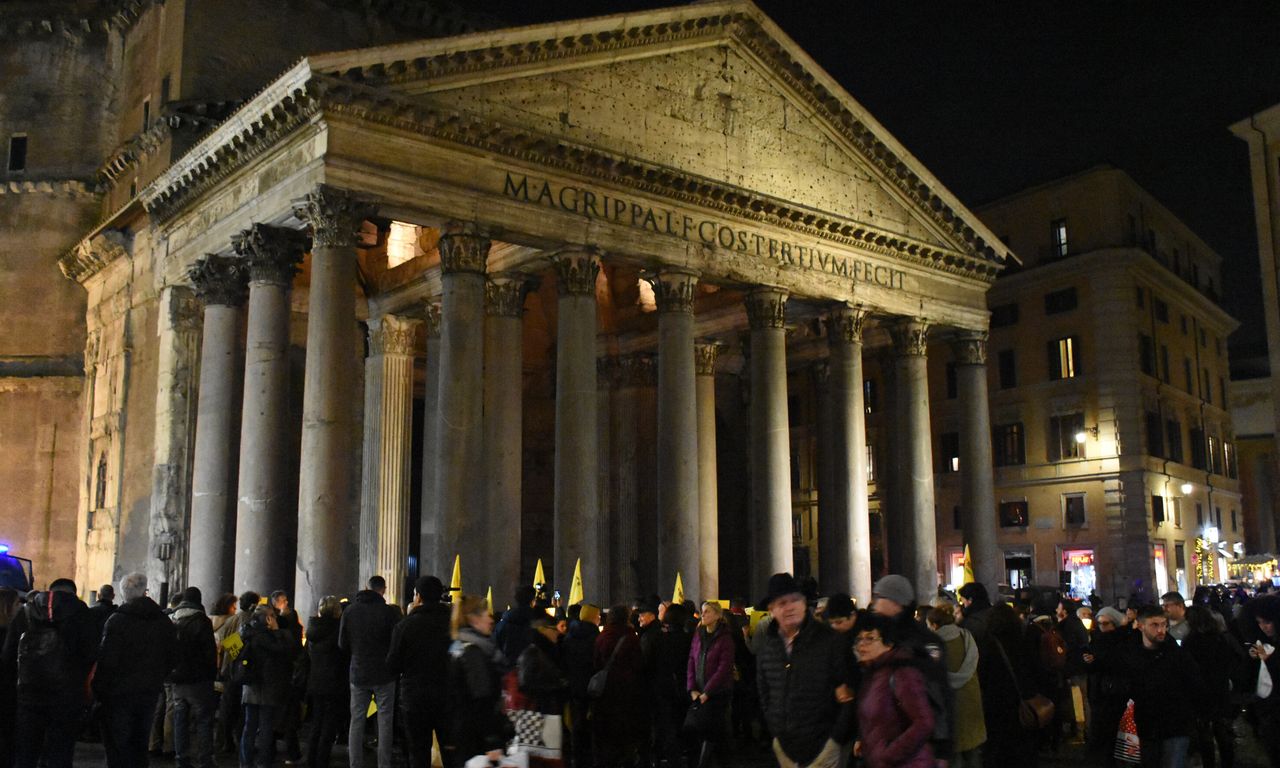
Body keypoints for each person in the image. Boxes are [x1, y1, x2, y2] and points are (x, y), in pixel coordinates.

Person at [755, 572, 853, 768]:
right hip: (785, 749)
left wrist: (835, 741)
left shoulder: (830, 640)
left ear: (804, 603)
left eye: (795, 600)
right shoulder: (768, 646)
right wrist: (776, 733)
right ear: (771, 609)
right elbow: (764, 691)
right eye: (782, 603)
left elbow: (849, 694)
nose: (790, 607)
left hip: (824, 747)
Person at [1096, 604, 1203, 768]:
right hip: (1144, 727)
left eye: (1163, 625)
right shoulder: (1129, 654)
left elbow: (1195, 685)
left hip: (1175, 727)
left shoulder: (1177, 655)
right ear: (1141, 626)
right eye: (1155, 625)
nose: (1161, 630)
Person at [7, 580, 97, 768]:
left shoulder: (26, 612)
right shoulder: (82, 614)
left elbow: (8, 656)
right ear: (73, 593)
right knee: (61, 751)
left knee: (26, 752)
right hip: (67, 696)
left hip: (29, 695)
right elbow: (91, 654)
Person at [95, 572, 179, 768]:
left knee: (118, 745)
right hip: (148, 690)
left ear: (123, 593)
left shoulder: (117, 620)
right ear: (145, 592)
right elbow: (173, 656)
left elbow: (107, 660)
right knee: (139, 743)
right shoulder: (162, 622)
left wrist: (99, 690)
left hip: (118, 693)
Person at [853, 612, 935, 768]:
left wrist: (888, 754)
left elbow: (924, 722)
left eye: (870, 638)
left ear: (889, 643)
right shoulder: (872, 672)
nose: (861, 644)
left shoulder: (902, 672)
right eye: (859, 639)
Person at [386, 576, 451, 768]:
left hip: (415, 697)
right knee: (450, 753)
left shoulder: (405, 626)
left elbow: (392, 664)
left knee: (418, 752)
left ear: (419, 597)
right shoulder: (453, 624)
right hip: (446, 696)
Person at [339, 576, 400, 768]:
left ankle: (355, 764)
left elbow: (342, 644)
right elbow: (396, 644)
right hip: (384, 673)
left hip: (358, 671)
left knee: (356, 720)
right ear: (383, 590)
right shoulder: (389, 612)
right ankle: (384, 764)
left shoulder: (350, 611)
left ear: (367, 587)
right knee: (385, 721)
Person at [449, 594, 509, 766]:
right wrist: (492, 739)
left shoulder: (458, 645)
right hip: (477, 737)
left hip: (464, 731)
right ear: (474, 619)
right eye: (486, 615)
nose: (491, 620)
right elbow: (481, 699)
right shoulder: (475, 652)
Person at [239, 603, 298, 768]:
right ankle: (263, 762)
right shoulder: (268, 637)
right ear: (268, 618)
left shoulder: (245, 632)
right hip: (267, 686)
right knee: (265, 727)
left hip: (249, 686)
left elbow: (232, 651)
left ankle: (245, 762)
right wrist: (278, 630)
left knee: (249, 726)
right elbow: (287, 651)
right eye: (273, 615)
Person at [1183, 605, 1242, 768]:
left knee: (1205, 735)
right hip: (1221, 691)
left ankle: (1209, 764)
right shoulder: (1219, 638)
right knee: (1223, 733)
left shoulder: (1191, 641)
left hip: (1202, 693)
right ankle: (1227, 763)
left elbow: (1189, 668)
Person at [980, 603, 1038, 768]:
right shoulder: (1023, 638)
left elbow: (983, 674)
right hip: (1022, 698)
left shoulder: (989, 643)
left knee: (1000, 748)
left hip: (997, 702)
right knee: (1022, 744)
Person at [926, 605, 984, 768]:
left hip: (949, 704)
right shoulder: (966, 637)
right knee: (973, 751)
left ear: (935, 625)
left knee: (955, 754)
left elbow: (931, 673)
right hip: (971, 700)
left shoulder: (933, 646)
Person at [170, 587, 217, 768]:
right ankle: (205, 759)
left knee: (180, 719)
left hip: (177, 678)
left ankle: (181, 758)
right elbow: (209, 652)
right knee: (204, 720)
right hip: (199, 679)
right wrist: (212, 674)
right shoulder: (201, 621)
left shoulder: (173, 618)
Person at [593, 605, 644, 767]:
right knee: (624, 725)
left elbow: (596, 661)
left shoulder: (602, 635)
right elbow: (638, 663)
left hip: (605, 688)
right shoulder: (631, 637)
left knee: (607, 726)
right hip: (626, 687)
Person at [687, 600, 734, 768]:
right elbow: (692, 659)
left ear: (717, 615)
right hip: (699, 691)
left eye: (707, 611)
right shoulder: (699, 634)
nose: (703, 615)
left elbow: (724, 667)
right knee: (703, 730)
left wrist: (708, 691)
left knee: (714, 731)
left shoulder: (725, 637)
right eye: (702, 611)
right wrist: (692, 687)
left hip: (718, 693)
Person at [1083, 606, 1130, 763]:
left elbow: (1118, 664)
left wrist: (1097, 661)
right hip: (1099, 691)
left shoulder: (1121, 641)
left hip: (1112, 693)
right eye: (1100, 623)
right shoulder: (1097, 639)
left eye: (1105, 623)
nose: (1102, 627)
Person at [305, 596, 347, 768]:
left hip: (315, 681)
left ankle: (311, 759)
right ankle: (322, 760)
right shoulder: (338, 630)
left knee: (316, 723)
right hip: (334, 682)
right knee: (329, 726)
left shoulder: (313, 629)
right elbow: (344, 654)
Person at [216, 591, 259, 755]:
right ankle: (239, 741)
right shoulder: (249, 619)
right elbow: (239, 646)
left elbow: (223, 643)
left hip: (229, 669)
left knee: (227, 708)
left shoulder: (231, 620)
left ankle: (225, 741)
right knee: (241, 710)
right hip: (242, 670)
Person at [561, 603, 600, 768]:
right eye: (597, 616)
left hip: (574, 685)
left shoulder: (570, 636)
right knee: (591, 724)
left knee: (576, 722)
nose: (599, 619)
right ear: (592, 617)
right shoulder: (595, 637)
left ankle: (577, 757)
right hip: (591, 686)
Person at [1245, 594, 1280, 767]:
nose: (1264, 627)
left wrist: (1269, 660)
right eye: (1259, 622)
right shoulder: (1267, 643)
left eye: (1267, 622)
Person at [494, 586, 539, 668]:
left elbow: (496, 646)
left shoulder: (502, 623)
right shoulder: (537, 622)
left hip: (508, 669)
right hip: (532, 669)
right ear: (533, 601)